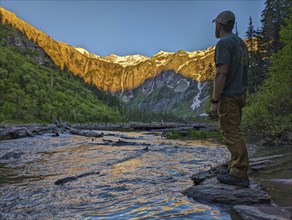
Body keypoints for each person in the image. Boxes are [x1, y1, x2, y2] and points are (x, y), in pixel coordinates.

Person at [210, 10, 250, 187]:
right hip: (240, 93)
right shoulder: (241, 43)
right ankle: (234, 166)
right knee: (235, 129)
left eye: (215, 24)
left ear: (219, 24)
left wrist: (215, 101)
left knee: (231, 132)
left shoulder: (224, 43)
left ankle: (239, 173)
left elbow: (221, 73)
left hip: (230, 96)